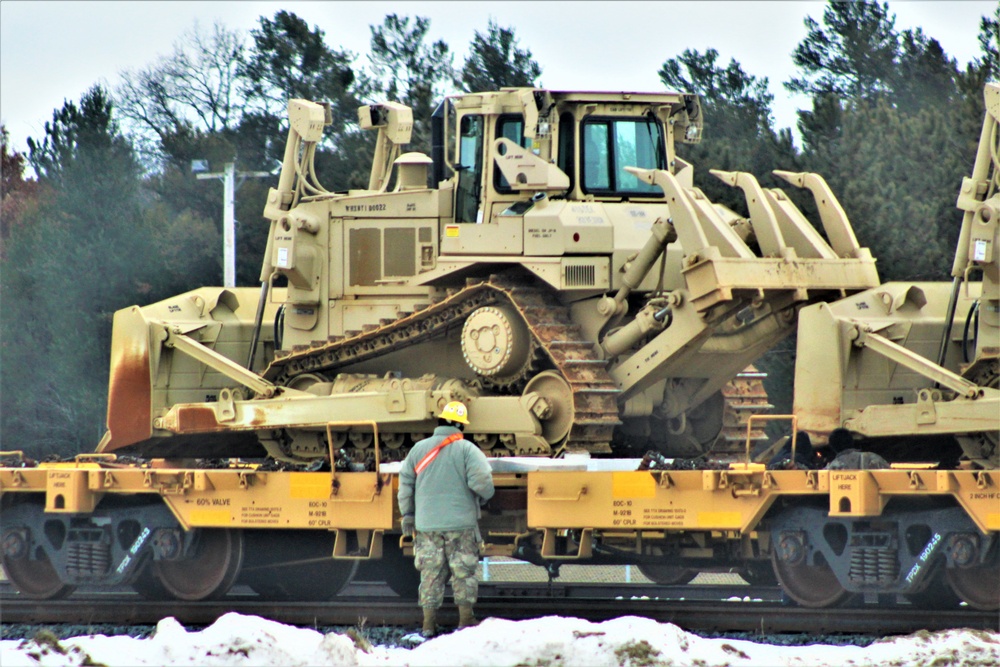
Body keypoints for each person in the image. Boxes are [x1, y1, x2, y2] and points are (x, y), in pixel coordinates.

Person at [398, 400, 495, 638]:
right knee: (463, 572)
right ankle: (466, 620)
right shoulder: (467, 450)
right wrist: (482, 500)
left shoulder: (418, 449)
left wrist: (408, 514)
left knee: (430, 574)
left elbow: (405, 486)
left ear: (441, 421)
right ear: (457, 424)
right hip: (460, 525)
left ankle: (428, 626)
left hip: (426, 526)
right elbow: (482, 483)